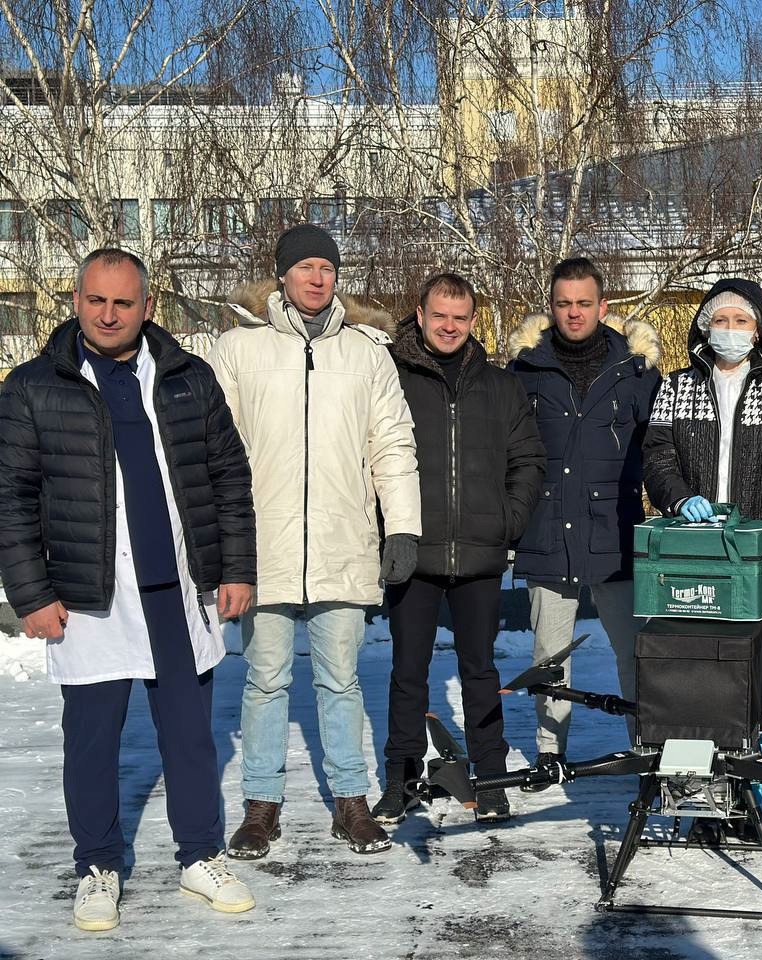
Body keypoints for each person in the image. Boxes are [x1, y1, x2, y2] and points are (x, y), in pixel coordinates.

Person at [0, 248, 257, 930]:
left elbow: (229, 475)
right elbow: (11, 497)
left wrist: (235, 568)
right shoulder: (34, 386)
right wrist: (31, 595)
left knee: (190, 737)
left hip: (176, 590)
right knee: (92, 740)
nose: (109, 314)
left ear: (148, 307)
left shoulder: (185, 377)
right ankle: (97, 866)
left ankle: (200, 855)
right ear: (77, 302)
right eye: (96, 300)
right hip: (88, 597)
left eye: (123, 302)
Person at [210, 224, 421, 859]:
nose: (317, 277)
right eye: (304, 267)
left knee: (341, 679)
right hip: (263, 548)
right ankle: (261, 806)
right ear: (281, 275)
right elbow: (216, 454)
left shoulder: (366, 353)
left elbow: (392, 443)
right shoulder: (238, 351)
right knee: (266, 679)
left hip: (340, 542)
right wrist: (222, 544)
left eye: (326, 267)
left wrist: (402, 524)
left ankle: (352, 803)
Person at [371, 273, 545, 825]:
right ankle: (401, 778)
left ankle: (489, 776)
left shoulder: (500, 386)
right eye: (439, 315)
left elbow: (529, 460)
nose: (449, 326)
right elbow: (368, 452)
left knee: (480, 669)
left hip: (479, 552)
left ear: (473, 322)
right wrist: (386, 526)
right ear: (419, 316)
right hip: (412, 552)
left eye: (460, 317)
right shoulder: (391, 377)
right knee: (408, 670)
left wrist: (507, 521)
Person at [506, 256, 661, 776]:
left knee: (632, 651)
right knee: (550, 655)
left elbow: (660, 448)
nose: (574, 313)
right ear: (550, 307)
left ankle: (645, 744)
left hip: (615, 533)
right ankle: (551, 754)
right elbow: (506, 450)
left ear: (604, 306)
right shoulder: (524, 370)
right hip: (546, 531)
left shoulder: (637, 372)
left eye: (584, 303)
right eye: (564, 303)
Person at [642, 277, 762, 682]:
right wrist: (679, 500)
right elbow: (658, 456)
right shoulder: (675, 387)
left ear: (759, 330)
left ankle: (749, 740)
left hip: (754, 548)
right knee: (699, 657)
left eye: (740, 321)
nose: (729, 330)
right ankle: (701, 738)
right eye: (720, 319)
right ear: (704, 327)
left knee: (761, 660)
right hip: (695, 545)